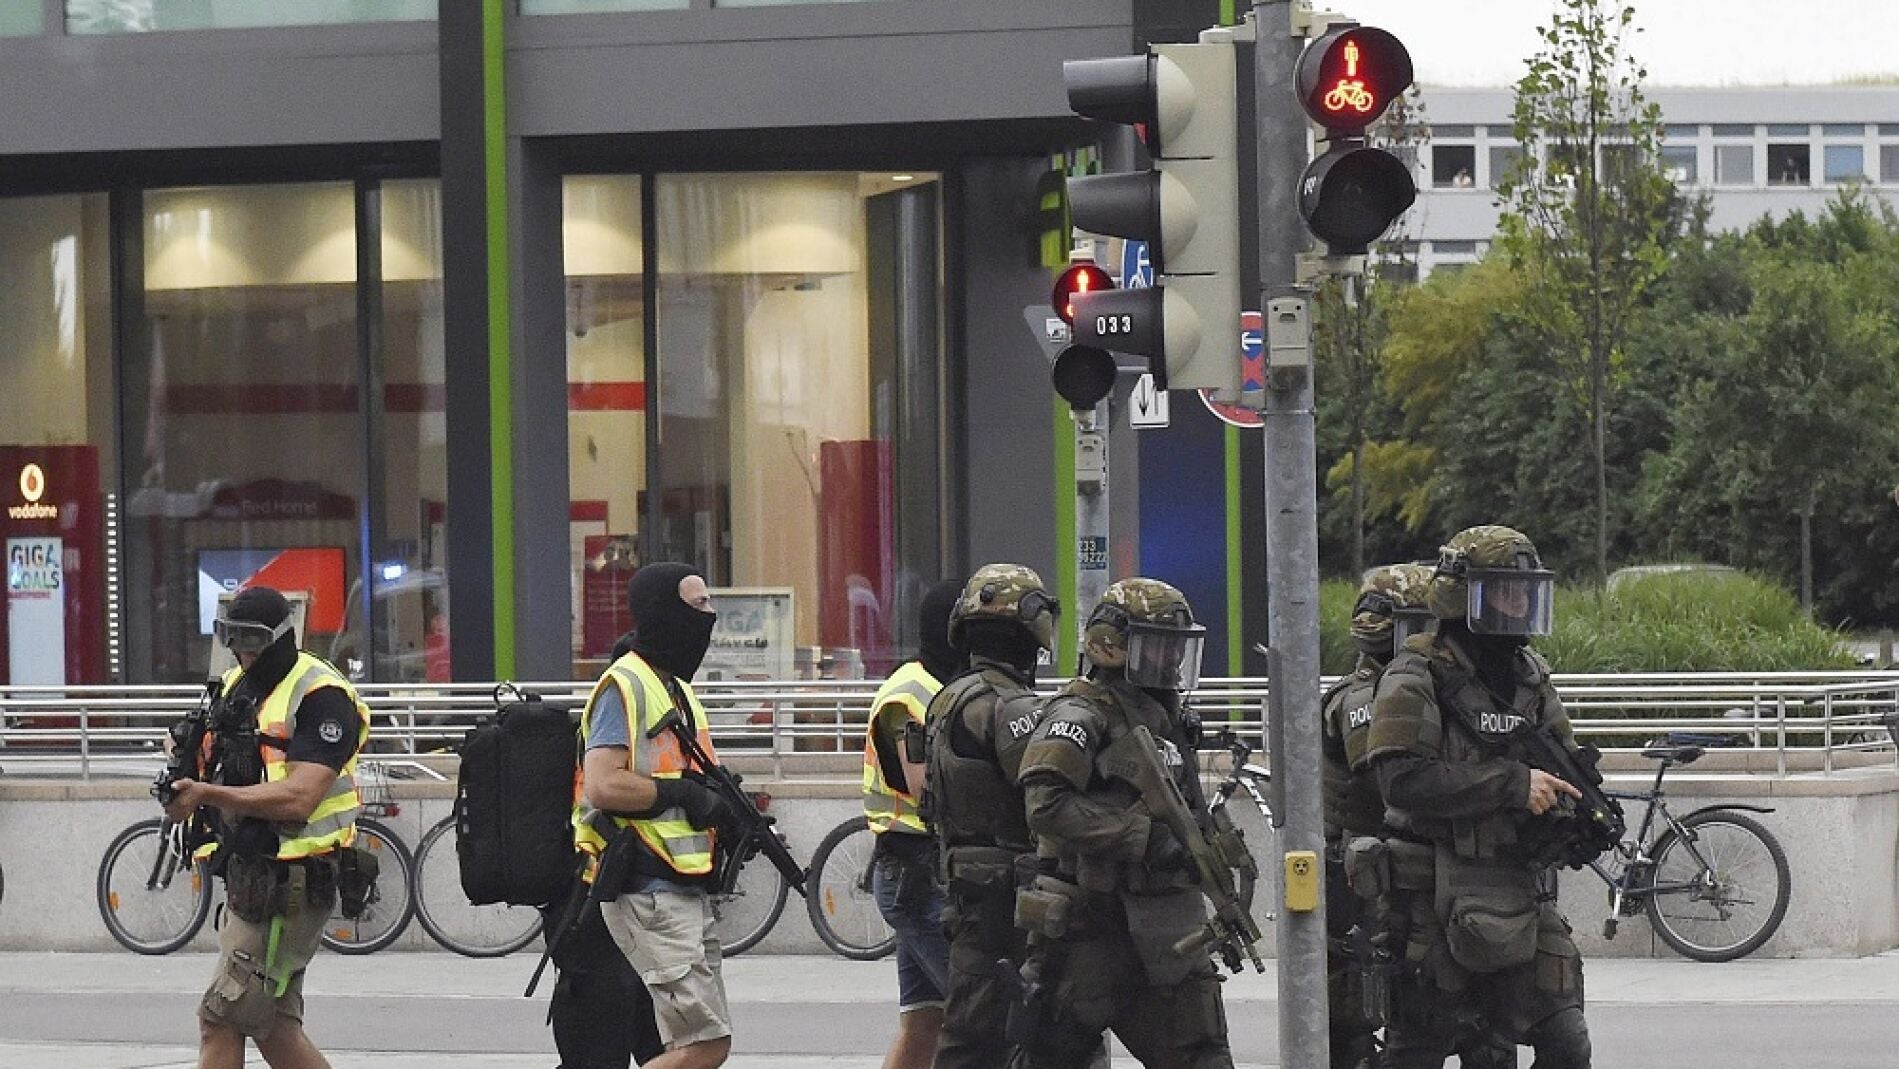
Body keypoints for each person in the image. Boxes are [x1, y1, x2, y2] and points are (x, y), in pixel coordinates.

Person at [1364, 526, 1592, 1068]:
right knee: (1417, 1050)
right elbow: (1399, 779)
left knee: (1566, 1040)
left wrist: (1573, 815)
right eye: (1503, 591)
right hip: (1429, 898)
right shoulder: (1414, 674)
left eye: (1524, 592)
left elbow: (1562, 763)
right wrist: (1512, 786)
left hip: (1515, 890)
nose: (1517, 604)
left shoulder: (1529, 679)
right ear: (1461, 595)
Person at [1012, 578, 1234, 1069]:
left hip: (1165, 928)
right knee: (1050, 1055)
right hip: (1089, 932)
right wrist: (1141, 838)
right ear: (1110, 648)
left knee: (1203, 1058)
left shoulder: (1164, 717)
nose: (1171, 662)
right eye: (1158, 647)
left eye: (1177, 649)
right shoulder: (1079, 713)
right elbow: (1045, 805)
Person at [160, 586, 369, 1069]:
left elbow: (300, 796)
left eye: (253, 639)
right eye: (233, 638)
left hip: (294, 878)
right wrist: (186, 775)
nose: (243, 651)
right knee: (272, 1024)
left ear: (281, 637)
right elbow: (222, 765)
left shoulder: (322, 694)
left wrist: (208, 794)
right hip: (255, 873)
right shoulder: (238, 683)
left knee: (223, 1014)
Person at [575, 563, 733, 1069]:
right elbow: (602, 783)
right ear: (665, 612)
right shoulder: (625, 686)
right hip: (647, 885)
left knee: (688, 1046)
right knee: (704, 1046)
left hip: (680, 883)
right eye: (698, 604)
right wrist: (682, 794)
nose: (710, 616)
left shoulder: (675, 689)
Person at [921, 563, 1061, 1069]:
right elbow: (1047, 795)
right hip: (1008, 898)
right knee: (983, 1039)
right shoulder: (1009, 707)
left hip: (971, 886)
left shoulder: (950, 696)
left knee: (974, 1033)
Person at [1320, 563, 1435, 1069]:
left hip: (1386, 869)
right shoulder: (1363, 699)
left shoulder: (1411, 691)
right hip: (1356, 877)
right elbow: (1391, 785)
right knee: (1355, 1015)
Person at [541, 627, 666, 1069]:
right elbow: (604, 798)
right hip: (594, 895)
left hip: (611, 896)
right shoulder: (613, 724)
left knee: (648, 1039)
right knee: (603, 1047)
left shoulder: (630, 734)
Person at [862, 580, 962, 1069]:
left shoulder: (948, 685)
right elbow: (929, 789)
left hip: (924, 872)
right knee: (979, 1017)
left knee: (925, 1023)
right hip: (918, 877)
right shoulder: (910, 694)